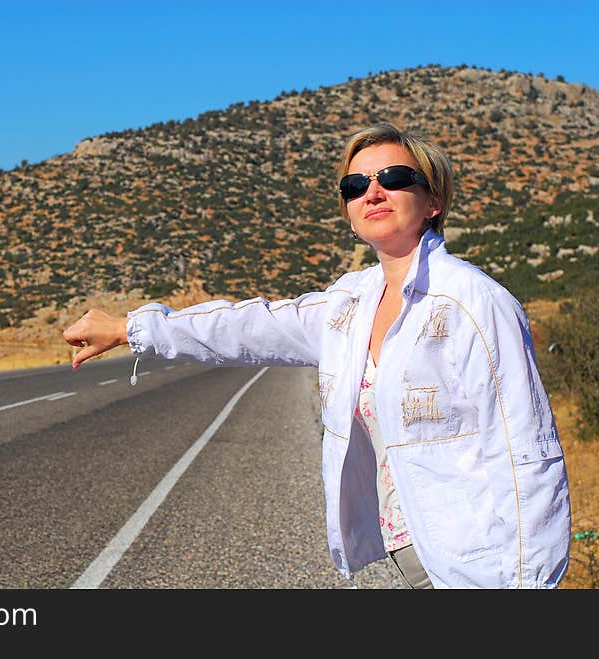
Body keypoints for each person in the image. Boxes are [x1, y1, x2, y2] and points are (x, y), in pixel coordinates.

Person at [62, 123, 571, 589]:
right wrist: (131, 328)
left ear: (433, 199)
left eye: (393, 177)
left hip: (481, 567)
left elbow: (527, 453)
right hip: (405, 554)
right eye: (355, 186)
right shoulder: (348, 304)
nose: (372, 192)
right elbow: (249, 324)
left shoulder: (473, 303)